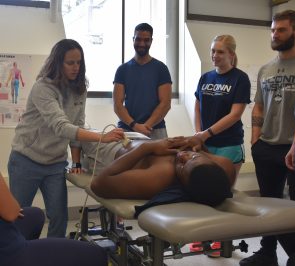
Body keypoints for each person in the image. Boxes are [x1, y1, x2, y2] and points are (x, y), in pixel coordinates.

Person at [7, 39, 124, 238]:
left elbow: (77, 125)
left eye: (79, 62)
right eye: (70, 63)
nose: (75, 67)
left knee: (59, 217)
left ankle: (54, 255)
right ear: (58, 62)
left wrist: (76, 161)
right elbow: (61, 126)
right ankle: (19, 255)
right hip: (25, 160)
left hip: (55, 164)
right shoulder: (43, 87)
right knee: (19, 217)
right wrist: (102, 138)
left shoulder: (80, 89)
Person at [240, 10, 295, 266]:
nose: (275, 35)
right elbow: (259, 106)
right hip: (267, 146)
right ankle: (267, 253)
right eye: (273, 30)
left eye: (281, 30)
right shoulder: (266, 69)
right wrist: (256, 140)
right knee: (268, 204)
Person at [191, 34, 251, 256]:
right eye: (213, 51)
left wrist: (206, 134)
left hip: (228, 144)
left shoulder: (240, 78)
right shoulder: (205, 77)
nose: (215, 55)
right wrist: (198, 135)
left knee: (224, 195)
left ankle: (221, 240)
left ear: (231, 55)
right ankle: (203, 236)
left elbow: (235, 115)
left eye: (220, 52)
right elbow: (197, 107)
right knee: (203, 192)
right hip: (205, 144)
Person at [79, 137, 236, 207]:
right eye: (193, 157)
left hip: (110, 153)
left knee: (79, 132)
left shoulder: (160, 176)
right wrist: (199, 144)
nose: (181, 155)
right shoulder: (225, 165)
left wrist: (147, 148)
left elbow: (98, 185)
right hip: (135, 138)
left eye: (181, 166)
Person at [0, 171, 108, 266]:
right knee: (98, 254)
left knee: (36, 214)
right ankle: (25, 257)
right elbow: (11, 212)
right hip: (8, 252)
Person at [113, 23, 172, 140]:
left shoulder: (161, 68)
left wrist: (146, 126)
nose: (142, 44)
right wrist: (135, 126)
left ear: (151, 41)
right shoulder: (122, 70)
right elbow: (117, 104)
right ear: (133, 39)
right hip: (127, 129)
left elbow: (165, 104)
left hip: (155, 130)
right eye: (138, 39)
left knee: (161, 159)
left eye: (146, 40)